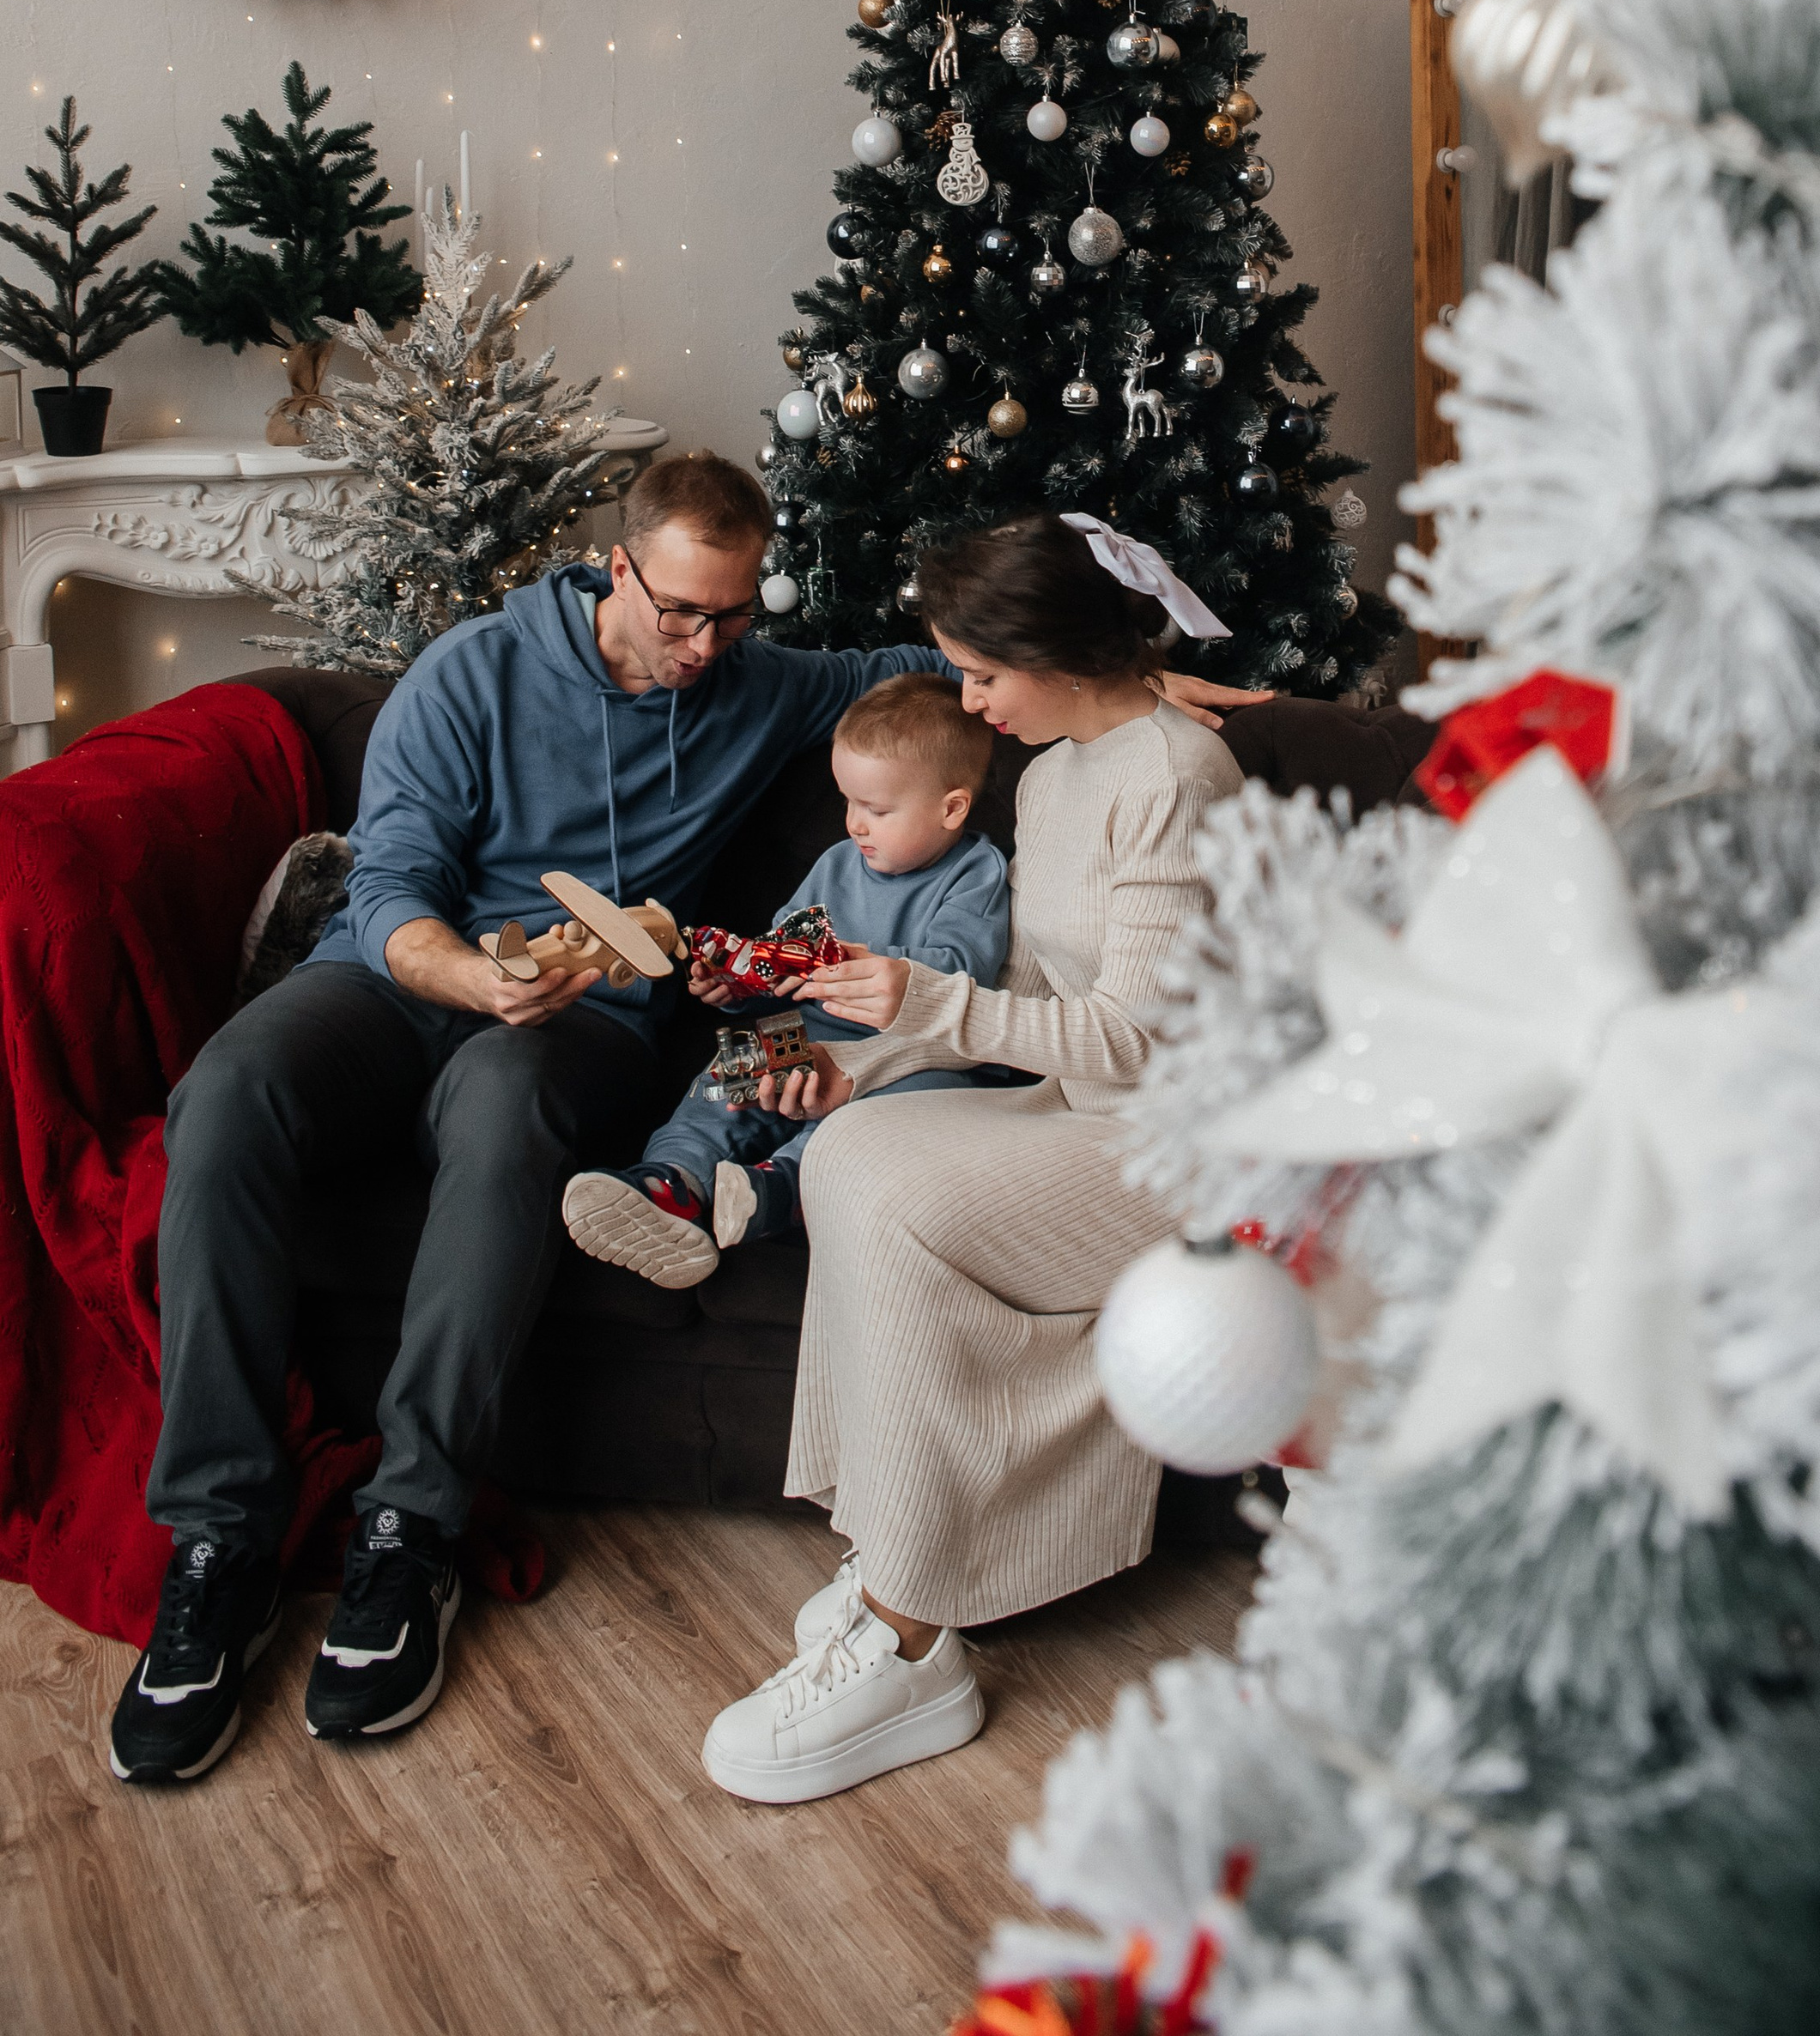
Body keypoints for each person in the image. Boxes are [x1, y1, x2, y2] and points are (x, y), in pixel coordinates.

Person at [106, 450, 949, 1786]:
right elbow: (386, 884)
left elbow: (931, 665)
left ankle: (409, 1531)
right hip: (408, 974)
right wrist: (467, 972)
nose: (702, 644)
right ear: (617, 567)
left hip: (586, 1027)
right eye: (679, 610)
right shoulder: (474, 672)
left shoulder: (755, 678)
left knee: (500, 1108)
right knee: (228, 1091)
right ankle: (219, 1537)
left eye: (732, 614)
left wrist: (1113, 685)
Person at [697, 510, 1252, 1807]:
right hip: (1085, 1110)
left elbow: (1130, 1037)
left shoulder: (1177, 775)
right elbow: (1020, 1004)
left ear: (1057, 655)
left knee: (894, 1197)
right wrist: (858, 1065)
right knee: (849, 1148)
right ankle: (906, 1558)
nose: (970, 698)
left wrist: (920, 1007)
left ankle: (903, 1633)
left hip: (1183, 1138)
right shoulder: (1055, 771)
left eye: (985, 672)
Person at [561, 673, 1010, 1281]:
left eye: (876, 809)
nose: (855, 823)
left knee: (903, 1101)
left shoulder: (975, 871)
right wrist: (738, 981)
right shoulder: (836, 864)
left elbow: (961, 968)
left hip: (906, 1051)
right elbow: (779, 955)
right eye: (848, 801)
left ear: (950, 807)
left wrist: (839, 957)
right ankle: (672, 1184)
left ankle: (781, 1188)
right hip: (809, 1032)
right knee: (730, 1069)